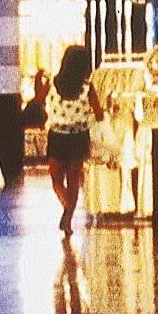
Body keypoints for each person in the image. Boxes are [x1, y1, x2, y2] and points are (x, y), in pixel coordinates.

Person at [44, 45, 103, 236]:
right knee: (73, 180)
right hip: (78, 137)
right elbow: (99, 114)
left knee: (56, 180)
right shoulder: (87, 88)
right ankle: (68, 214)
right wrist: (86, 118)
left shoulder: (52, 83)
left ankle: (67, 217)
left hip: (57, 136)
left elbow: (41, 101)